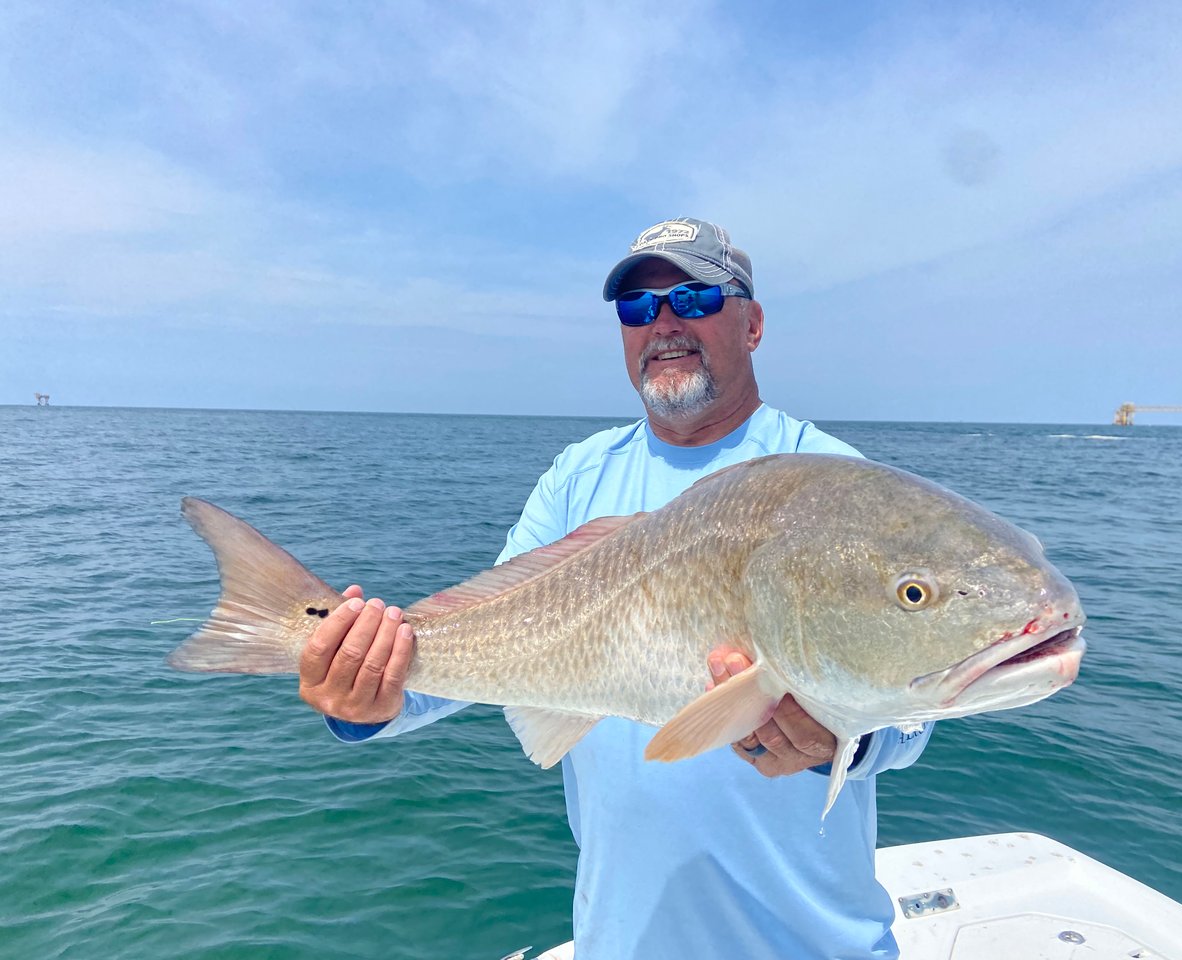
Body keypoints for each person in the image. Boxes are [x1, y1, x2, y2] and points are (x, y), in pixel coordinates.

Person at [297, 218, 934, 959]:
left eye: (693, 299)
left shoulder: (826, 478)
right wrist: (369, 703)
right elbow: (483, 648)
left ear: (752, 323)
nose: (663, 324)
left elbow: (914, 705)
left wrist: (848, 746)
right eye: (638, 309)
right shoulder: (577, 478)